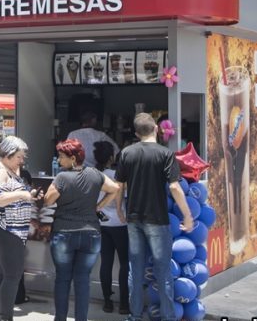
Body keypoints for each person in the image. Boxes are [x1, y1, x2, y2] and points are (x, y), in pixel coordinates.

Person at [117, 113, 194, 321]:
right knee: (163, 271)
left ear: (135, 133)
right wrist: (187, 215)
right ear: (157, 130)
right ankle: (168, 317)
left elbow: (119, 185)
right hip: (157, 219)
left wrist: (119, 209)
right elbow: (175, 186)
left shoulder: (126, 153)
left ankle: (134, 316)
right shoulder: (165, 154)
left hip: (133, 219)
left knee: (136, 270)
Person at [44, 138, 120, 321]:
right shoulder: (95, 174)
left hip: (64, 233)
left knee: (62, 278)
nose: (59, 160)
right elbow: (115, 188)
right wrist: (99, 206)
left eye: (61, 156)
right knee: (83, 280)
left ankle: (60, 318)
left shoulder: (62, 177)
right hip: (91, 234)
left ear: (72, 158)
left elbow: (48, 200)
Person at [0, 136, 39, 321]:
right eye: (19, 157)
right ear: (7, 155)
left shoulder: (7, 169)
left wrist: (27, 195)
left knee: (5, 274)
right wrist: (23, 194)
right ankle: (5, 317)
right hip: (7, 229)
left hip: (7, 229)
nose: (22, 161)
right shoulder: (1, 172)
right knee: (12, 276)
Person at [93, 141, 129, 315]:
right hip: (121, 225)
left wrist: (103, 219)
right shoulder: (117, 176)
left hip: (103, 225)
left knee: (105, 263)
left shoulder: (93, 175)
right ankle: (124, 303)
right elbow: (123, 200)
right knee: (125, 264)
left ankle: (107, 301)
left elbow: (95, 204)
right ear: (111, 158)